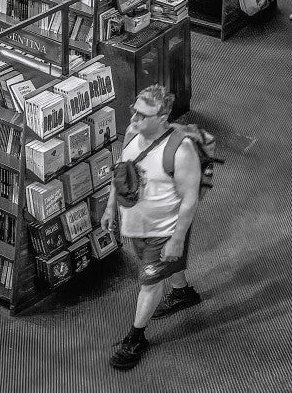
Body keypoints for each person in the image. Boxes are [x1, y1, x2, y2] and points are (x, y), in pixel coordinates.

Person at [109, 84, 205, 372]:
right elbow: (122, 169)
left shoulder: (181, 149)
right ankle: (182, 292)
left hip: (163, 231)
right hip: (136, 226)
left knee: (149, 283)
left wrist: (176, 239)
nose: (134, 119)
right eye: (133, 111)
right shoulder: (130, 134)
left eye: (142, 115)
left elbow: (189, 200)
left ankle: (136, 338)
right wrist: (109, 207)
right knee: (160, 269)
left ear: (162, 118)